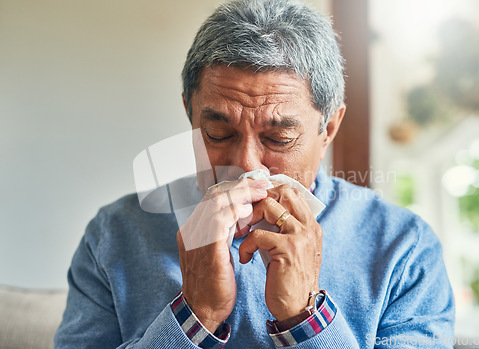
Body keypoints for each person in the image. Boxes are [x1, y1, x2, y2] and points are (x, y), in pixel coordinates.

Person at [54, 0, 455, 347]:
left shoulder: (403, 249)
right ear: (190, 116)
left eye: (279, 138)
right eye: (218, 133)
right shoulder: (115, 235)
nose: (247, 164)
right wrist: (196, 314)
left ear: (328, 129)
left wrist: (305, 318)